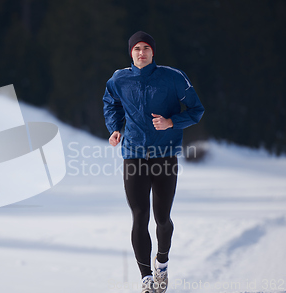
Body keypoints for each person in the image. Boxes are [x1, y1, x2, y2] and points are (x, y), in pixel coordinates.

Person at [102, 31, 204, 293]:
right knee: (139, 216)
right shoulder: (119, 79)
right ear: (131, 53)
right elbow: (110, 103)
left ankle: (162, 262)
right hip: (134, 155)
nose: (141, 53)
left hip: (164, 155)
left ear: (153, 52)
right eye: (136, 49)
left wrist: (172, 122)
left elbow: (196, 110)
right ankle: (146, 278)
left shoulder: (173, 77)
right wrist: (115, 128)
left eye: (146, 48)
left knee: (162, 218)